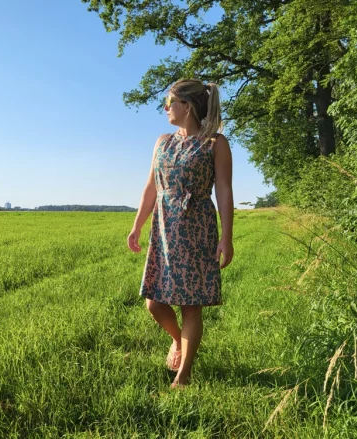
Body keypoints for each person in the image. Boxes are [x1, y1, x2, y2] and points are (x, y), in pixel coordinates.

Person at [127, 78, 234, 389]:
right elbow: (150, 187)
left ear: (187, 106)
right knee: (154, 302)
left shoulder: (215, 143)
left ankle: (183, 375)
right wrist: (137, 225)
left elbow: (224, 192)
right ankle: (177, 341)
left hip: (197, 227)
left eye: (170, 102)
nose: (166, 108)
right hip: (163, 228)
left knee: (190, 304)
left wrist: (226, 237)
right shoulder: (162, 142)